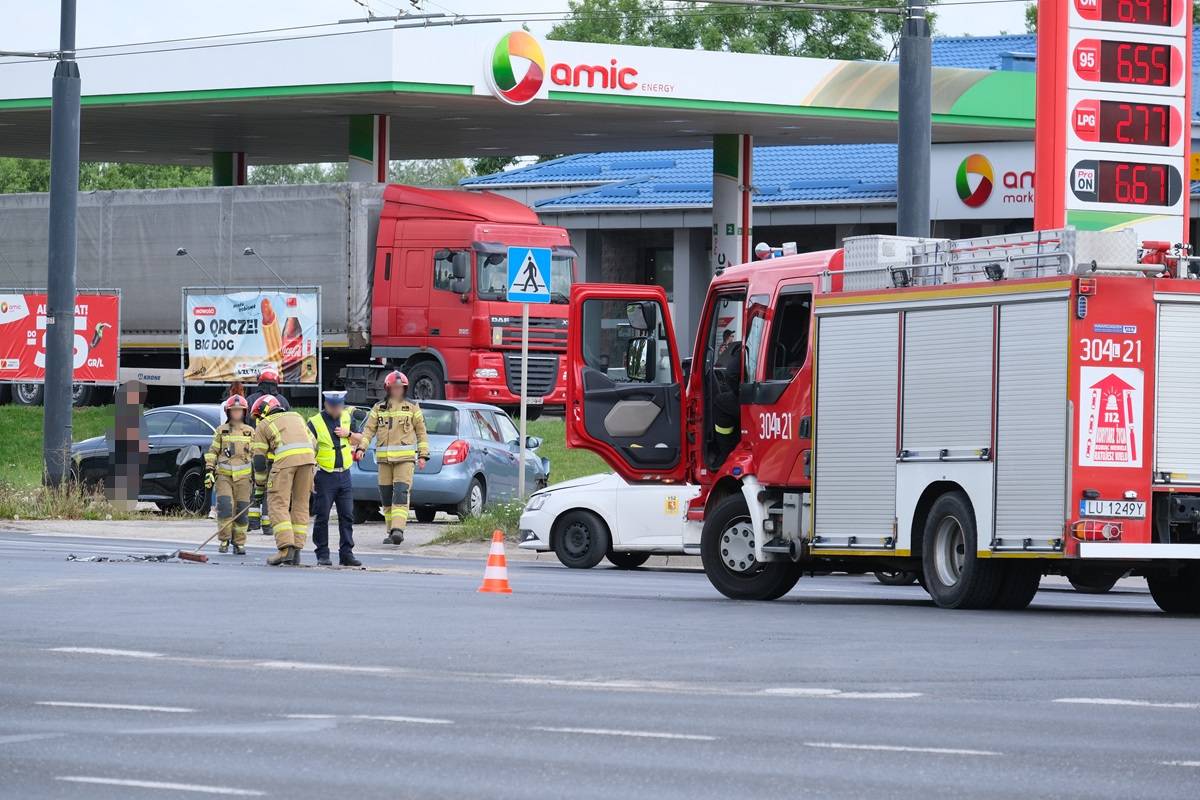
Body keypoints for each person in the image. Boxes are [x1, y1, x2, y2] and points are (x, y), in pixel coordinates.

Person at [355, 370, 428, 545]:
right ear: (387, 388)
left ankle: (398, 529)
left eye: (400, 388)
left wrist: (423, 455)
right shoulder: (378, 408)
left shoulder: (412, 407)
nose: (397, 391)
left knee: (401, 494)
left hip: (404, 460)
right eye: (394, 388)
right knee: (386, 496)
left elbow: (421, 432)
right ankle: (391, 531)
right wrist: (361, 448)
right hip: (384, 461)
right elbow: (368, 431)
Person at [251, 394, 316, 566]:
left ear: (264, 411)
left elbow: (258, 461)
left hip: (285, 463)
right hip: (308, 461)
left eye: (258, 416)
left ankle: (285, 548)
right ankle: (296, 552)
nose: (258, 420)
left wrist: (259, 488)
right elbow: (314, 442)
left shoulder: (264, 425)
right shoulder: (296, 417)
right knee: (301, 504)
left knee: (277, 503)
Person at [306, 391, 363, 567]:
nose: (337, 409)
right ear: (326, 404)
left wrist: (348, 434)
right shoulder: (314, 423)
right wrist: (312, 476)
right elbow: (309, 451)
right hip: (325, 475)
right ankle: (322, 553)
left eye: (339, 405)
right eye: (333, 406)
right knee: (322, 516)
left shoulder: (346, 417)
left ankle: (346, 554)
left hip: (344, 473)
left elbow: (360, 439)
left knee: (347, 515)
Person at [204, 395, 255, 555]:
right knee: (225, 508)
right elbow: (213, 451)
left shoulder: (250, 432)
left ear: (244, 412)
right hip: (224, 477)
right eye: (234, 411)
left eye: (240, 411)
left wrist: (259, 477)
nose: (237, 413)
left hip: (244, 480)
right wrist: (209, 471)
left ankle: (239, 543)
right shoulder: (221, 431)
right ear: (228, 412)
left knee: (241, 511)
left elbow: (256, 455)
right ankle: (224, 539)